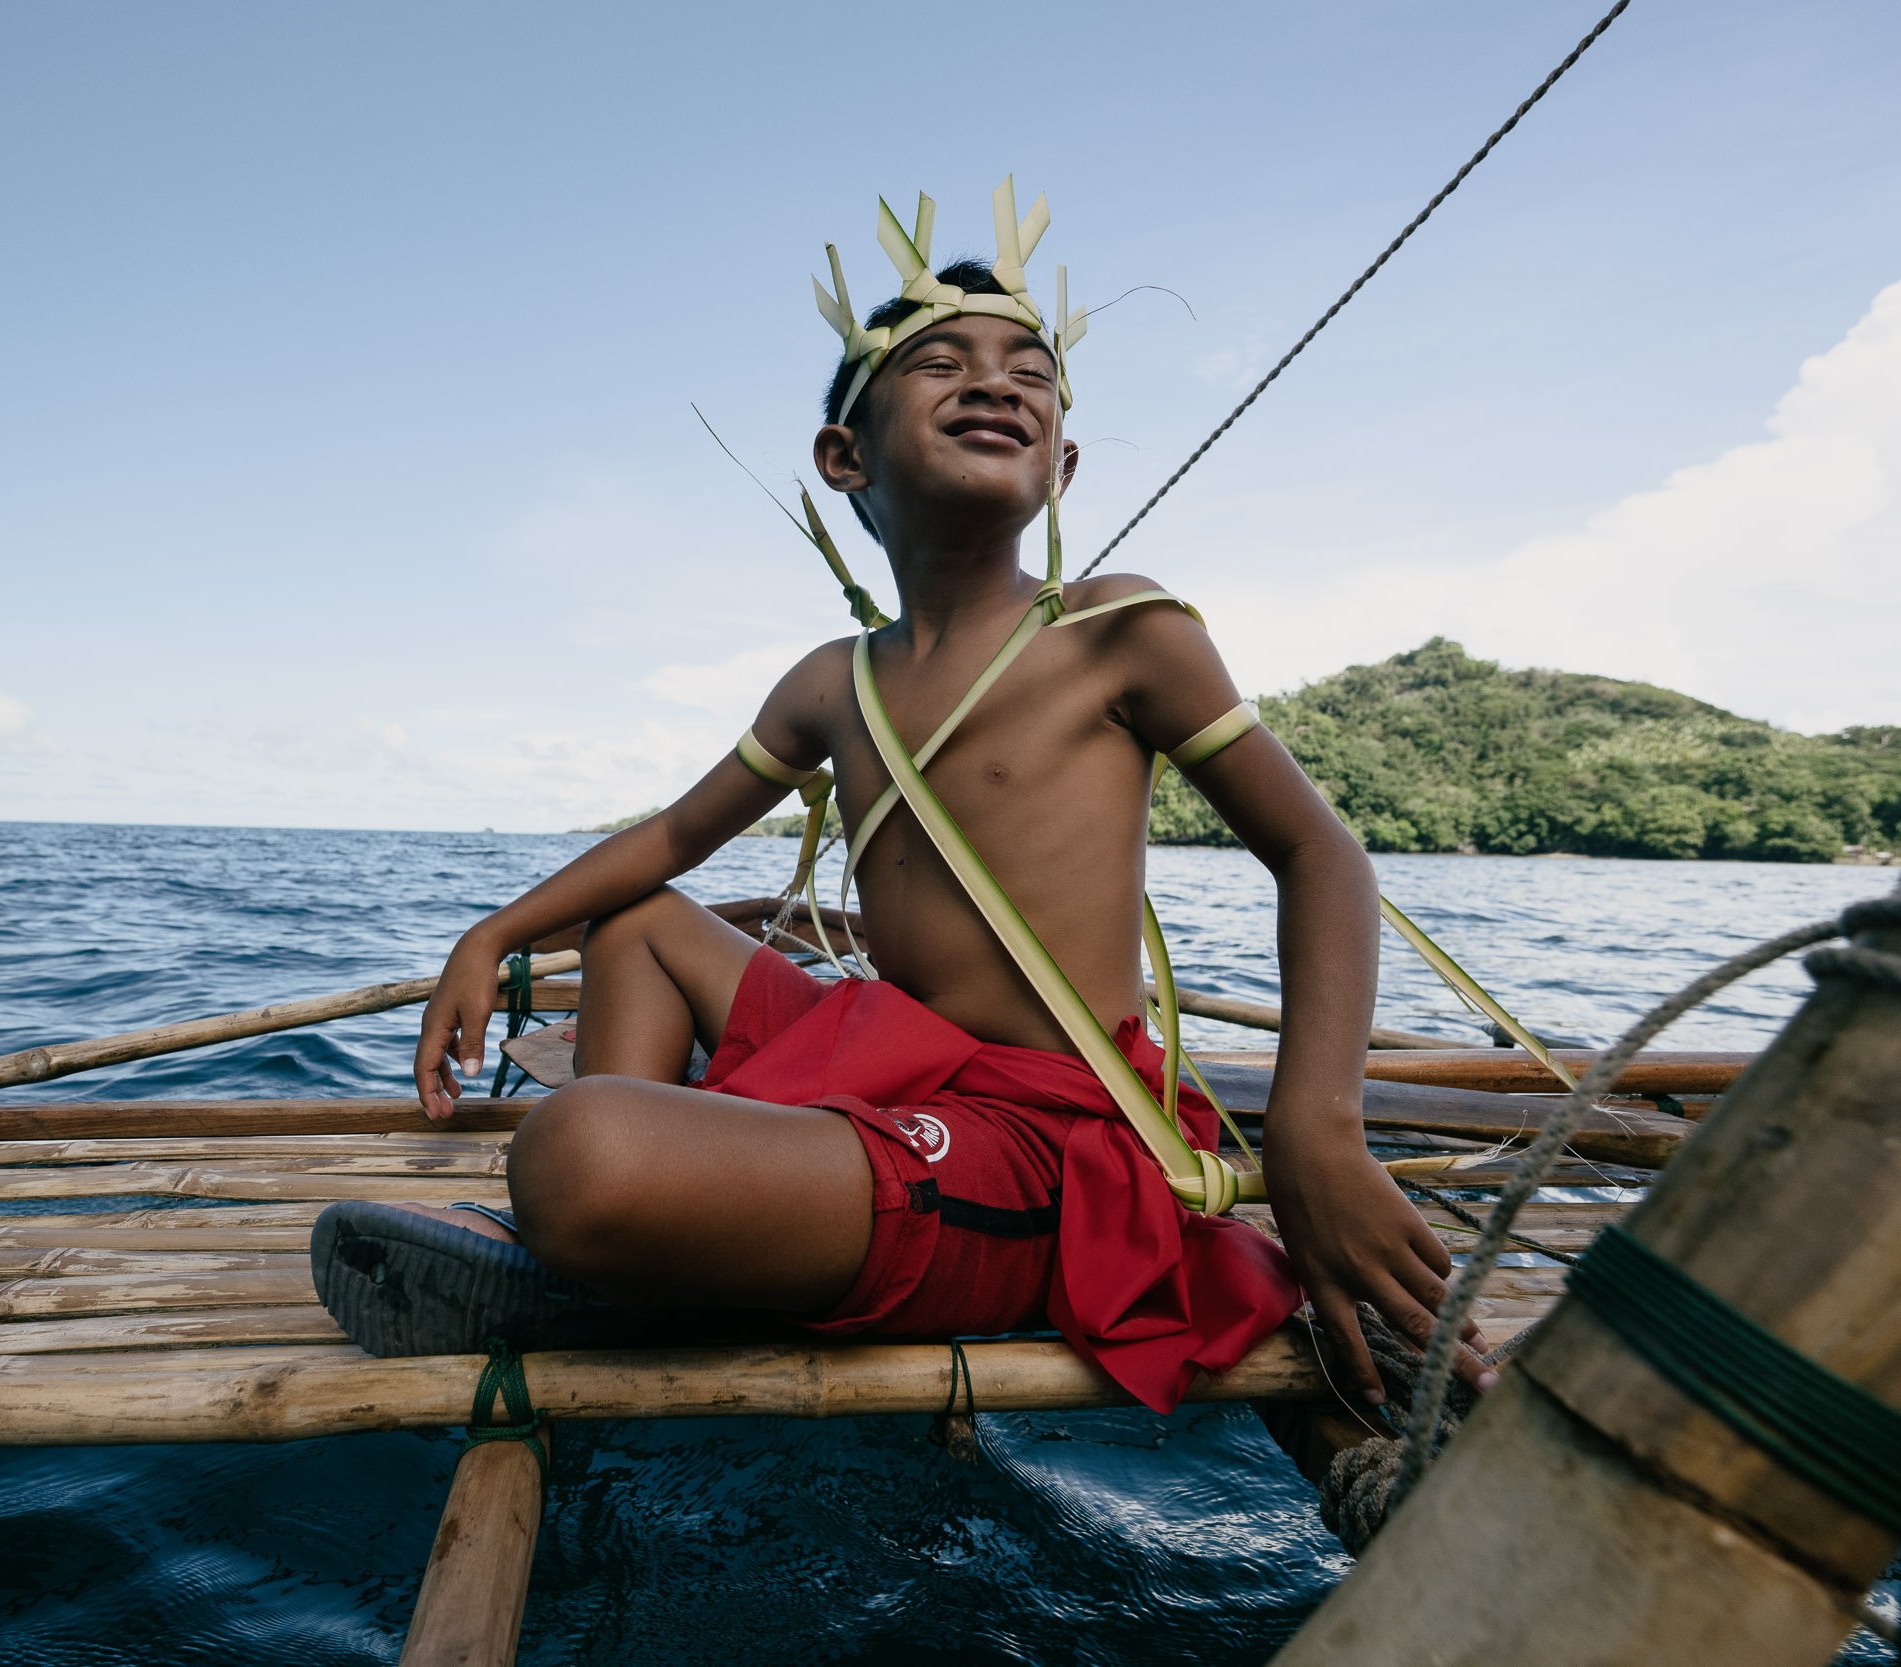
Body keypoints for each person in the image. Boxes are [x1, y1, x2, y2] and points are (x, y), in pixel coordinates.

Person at [313, 187, 1492, 1413]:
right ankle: (668, 1216)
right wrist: (493, 930)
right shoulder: (834, 680)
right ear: (846, 457)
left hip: (1038, 1137)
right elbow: (670, 838)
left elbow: (1319, 853)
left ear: (1063, 459)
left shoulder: (1118, 629)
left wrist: (1317, 1130)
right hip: (897, 1066)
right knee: (641, 925)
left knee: (576, 1143)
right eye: (942, 361)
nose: (996, 381)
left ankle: (633, 1227)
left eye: (1029, 371)